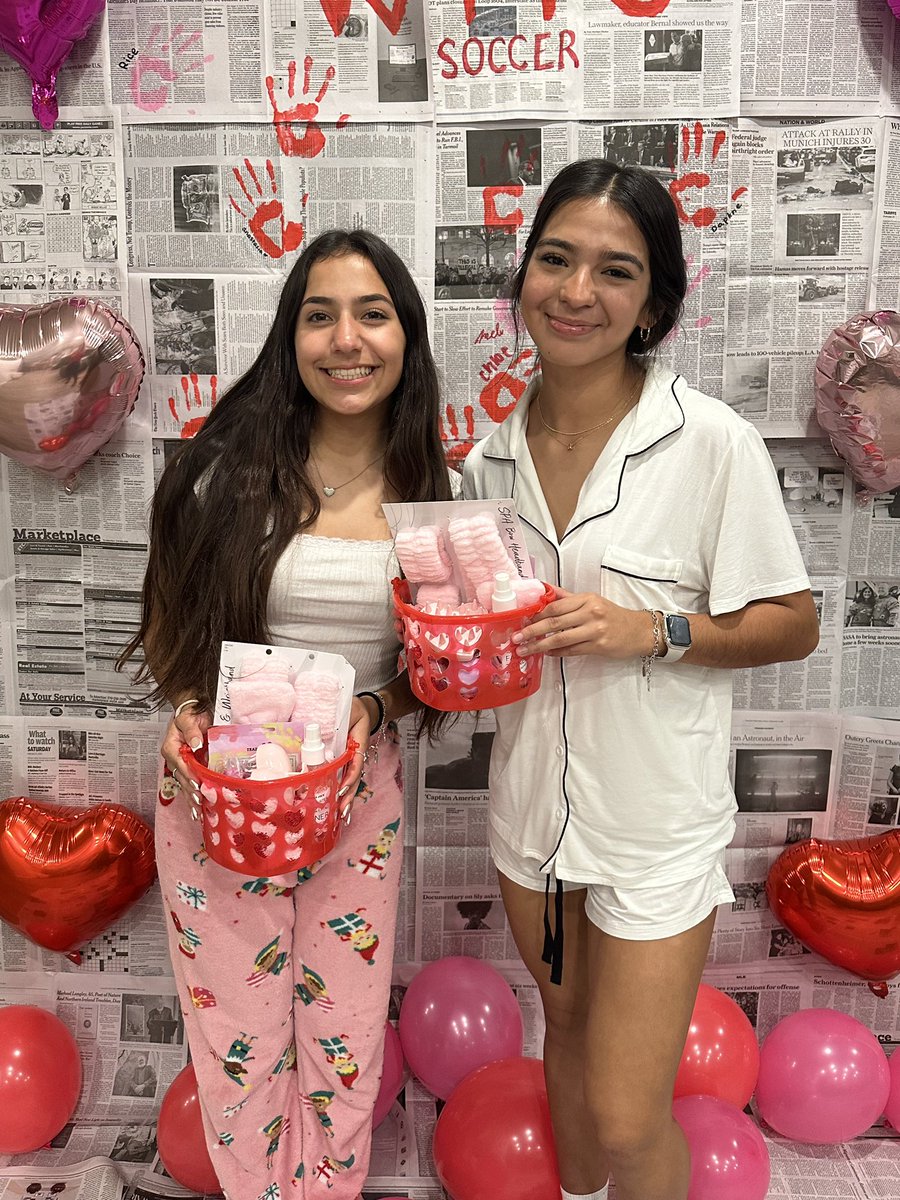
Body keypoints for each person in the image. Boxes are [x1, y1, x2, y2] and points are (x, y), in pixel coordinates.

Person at [462, 158, 818, 1200]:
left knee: (626, 1111)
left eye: (615, 272)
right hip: (532, 818)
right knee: (561, 1046)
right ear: (523, 275)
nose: (578, 293)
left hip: (655, 829)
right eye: (557, 260)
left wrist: (653, 630)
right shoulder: (486, 459)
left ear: (654, 303)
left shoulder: (710, 443)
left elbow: (790, 624)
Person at [117, 229, 454, 1199]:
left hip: (357, 801)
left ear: (406, 337)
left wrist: (371, 708)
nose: (347, 340)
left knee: (343, 1048)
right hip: (220, 798)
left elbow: (428, 680)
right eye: (320, 315)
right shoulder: (226, 474)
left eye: (373, 313)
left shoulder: (436, 493)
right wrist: (187, 709)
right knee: (239, 1054)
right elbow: (180, 645)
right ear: (290, 337)